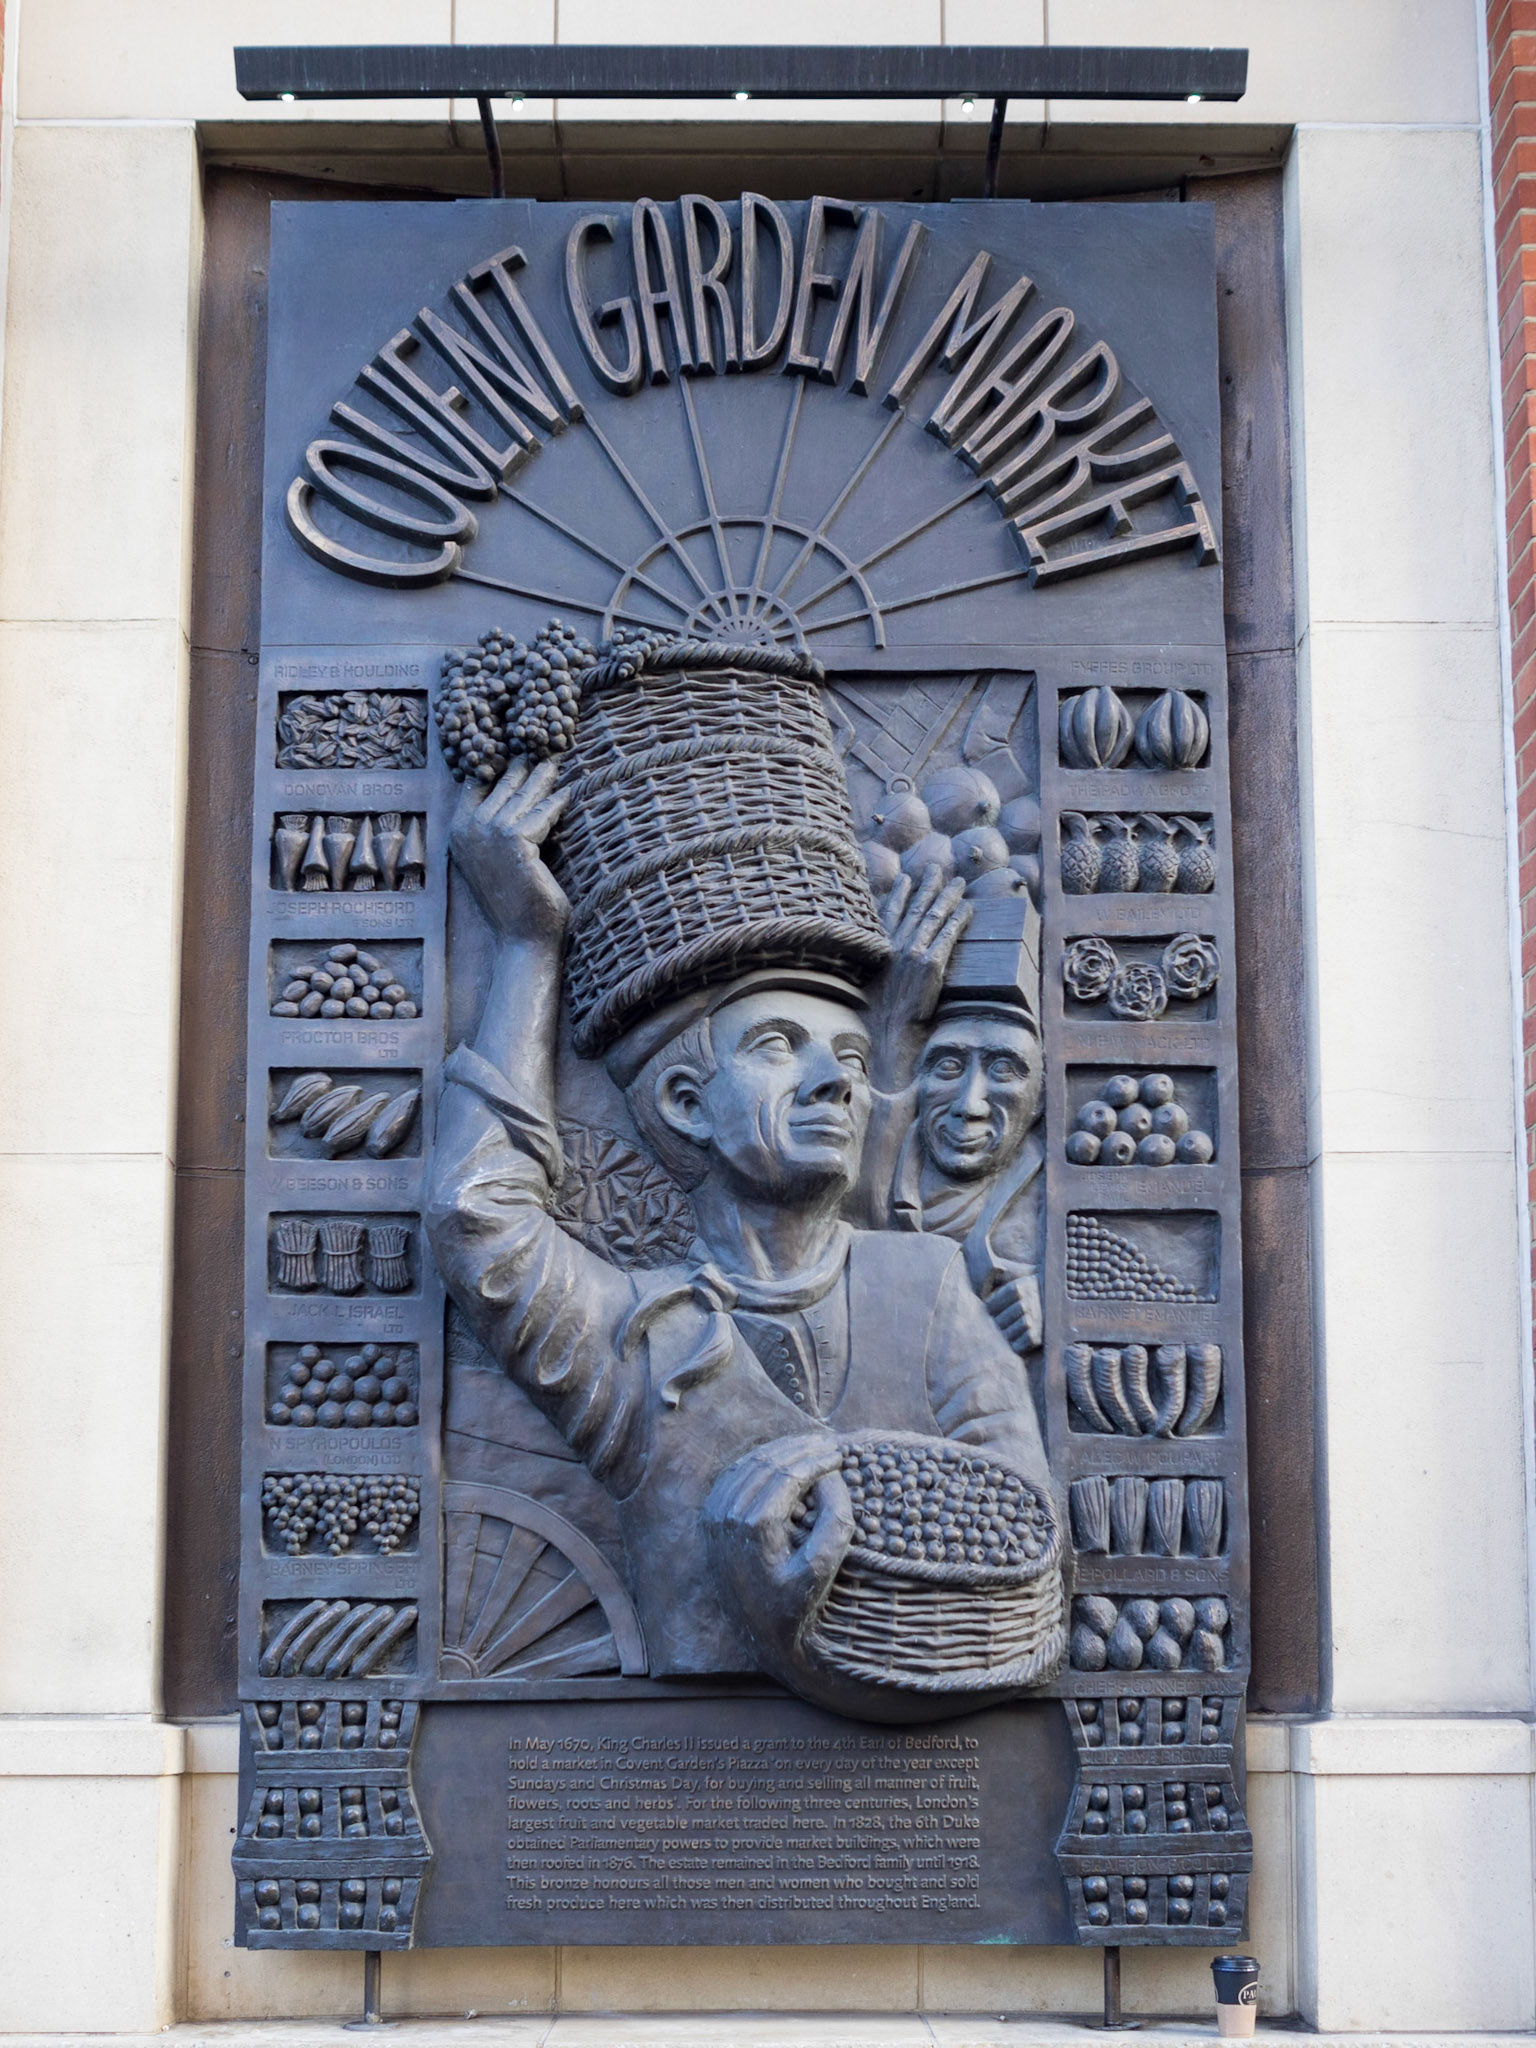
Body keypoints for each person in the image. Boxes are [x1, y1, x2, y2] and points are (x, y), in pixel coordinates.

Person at [426, 760, 1058, 1718]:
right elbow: (478, 1216)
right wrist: (525, 944)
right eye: (779, 1048)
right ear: (687, 1105)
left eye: (851, 1058)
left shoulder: (925, 1288)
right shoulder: (639, 1344)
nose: (836, 1082)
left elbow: (1024, 1534)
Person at [858, 873, 1044, 1357]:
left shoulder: (1060, 1193)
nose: (969, 1104)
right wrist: (893, 1029)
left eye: (1005, 1069)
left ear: (1041, 1098)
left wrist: (1059, 1308)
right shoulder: (874, 1165)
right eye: (947, 1065)